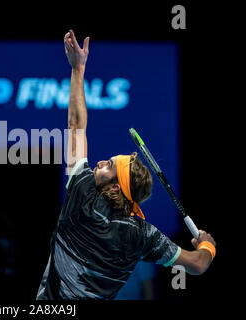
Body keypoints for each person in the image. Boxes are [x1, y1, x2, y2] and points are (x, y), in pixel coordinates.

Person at [36, 30, 216, 300]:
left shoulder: (82, 193)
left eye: (108, 164)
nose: (99, 163)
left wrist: (78, 69)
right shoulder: (142, 235)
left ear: (117, 184)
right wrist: (207, 246)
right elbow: (199, 264)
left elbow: (76, 126)